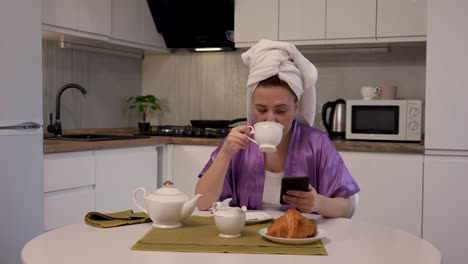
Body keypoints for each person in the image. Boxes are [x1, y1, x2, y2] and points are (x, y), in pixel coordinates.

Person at [195, 39, 360, 218]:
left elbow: (348, 207)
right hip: (246, 238)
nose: (270, 118)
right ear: (252, 106)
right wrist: (225, 153)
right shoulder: (240, 141)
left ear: (296, 107)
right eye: (261, 109)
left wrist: (317, 202)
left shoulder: (316, 143)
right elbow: (202, 204)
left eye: (281, 110)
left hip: (298, 239)